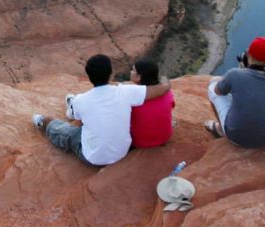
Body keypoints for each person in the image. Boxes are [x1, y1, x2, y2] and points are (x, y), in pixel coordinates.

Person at [33, 54, 172, 166]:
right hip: (122, 152)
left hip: (92, 157)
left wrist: (75, 110)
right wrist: (166, 84)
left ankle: (43, 122)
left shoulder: (83, 99)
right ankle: (70, 104)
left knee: (64, 129)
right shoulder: (126, 92)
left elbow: (73, 116)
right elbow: (156, 90)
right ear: (111, 74)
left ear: (89, 77)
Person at [205, 36, 265, 148]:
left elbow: (218, 91)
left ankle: (221, 129)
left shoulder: (235, 74)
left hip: (235, 135)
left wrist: (224, 79)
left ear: (249, 54)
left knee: (212, 86)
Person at [129, 58, 175, 148]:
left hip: (140, 142)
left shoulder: (132, 97)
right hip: (164, 138)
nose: (130, 72)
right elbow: (171, 106)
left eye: (133, 70)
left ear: (139, 77)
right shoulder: (167, 93)